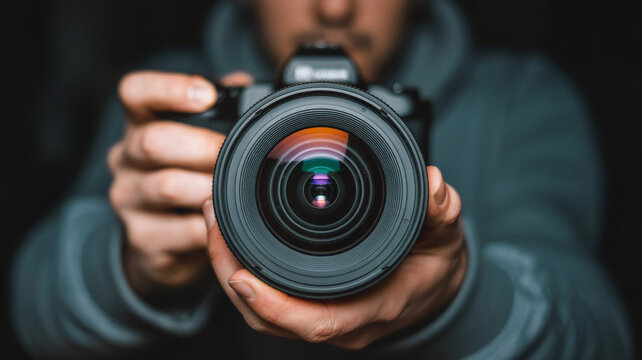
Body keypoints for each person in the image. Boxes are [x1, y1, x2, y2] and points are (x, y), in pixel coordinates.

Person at [10, 0, 633, 358]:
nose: (335, 7)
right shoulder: (185, 91)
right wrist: (133, 268)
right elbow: (31, 314)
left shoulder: (519, 97)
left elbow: (601, 338)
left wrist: (454, 298)